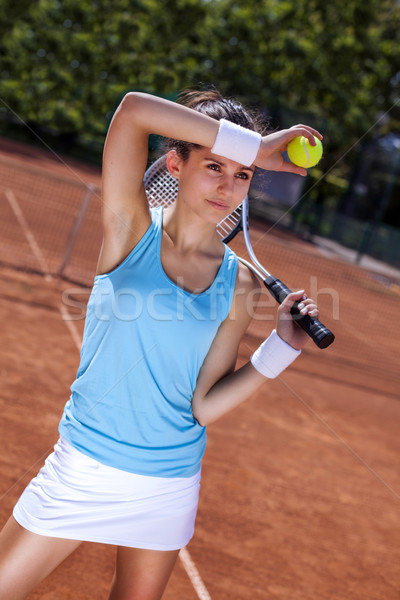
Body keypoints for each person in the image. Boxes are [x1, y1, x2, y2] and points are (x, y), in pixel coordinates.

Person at [0, 89, 322, 600]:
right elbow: (133, 112)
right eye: (215, 166)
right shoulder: (131, 230)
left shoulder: (237, 285)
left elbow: (203, 406)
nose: (229, 185)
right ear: (175, 162)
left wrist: (281, 348)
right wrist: (257, 147)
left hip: (168, 488)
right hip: (84, 469)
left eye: (242, 175)